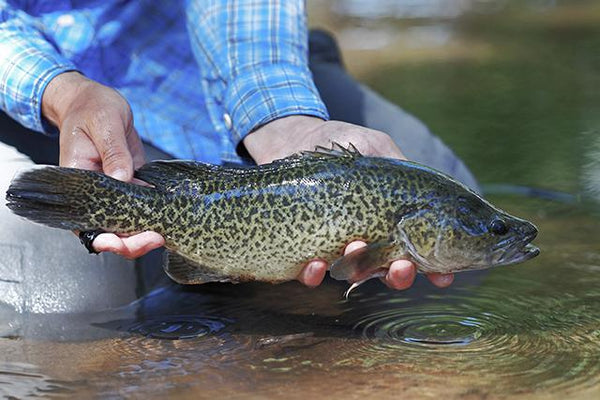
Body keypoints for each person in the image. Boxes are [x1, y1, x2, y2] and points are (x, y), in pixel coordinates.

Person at [0, 1, 478, 314]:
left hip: (195, 54)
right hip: (36, 84)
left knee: (450, 178)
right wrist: (62, 93)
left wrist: (281, 119)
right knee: (121, 282)